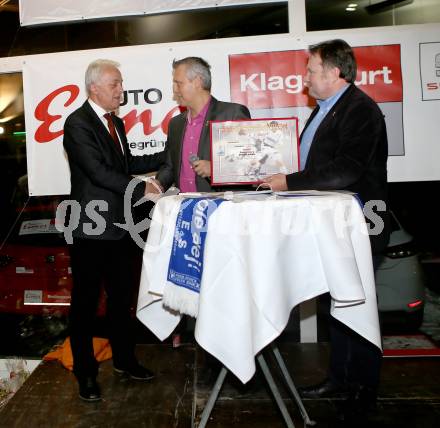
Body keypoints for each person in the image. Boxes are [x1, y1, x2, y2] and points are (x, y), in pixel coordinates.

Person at [263, 39, 390, 421]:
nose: (305, 79)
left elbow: (345, 171)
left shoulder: (360, 111)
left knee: (358, 304)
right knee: (339, 306)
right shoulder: (325, 110)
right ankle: (339, 378)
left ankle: (364, 389)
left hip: (361, 224)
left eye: (312, 70)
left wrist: (290, 181)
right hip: (331, 227)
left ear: (335, 73)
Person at [63, 59, 164, 402]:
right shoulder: (77, 124)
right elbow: (98, 172)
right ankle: (85, 373)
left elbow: (126, 165)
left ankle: (124, 360)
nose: (121, 90)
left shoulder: (115, 124)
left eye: (121, 83)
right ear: (94, 87)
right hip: (90, 231)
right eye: (115, 84)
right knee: (86, 306)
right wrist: (144, 190)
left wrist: (171, 157)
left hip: (121, 229)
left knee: (122, 302)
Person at [155, 56, 251, 192]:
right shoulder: (175, 124)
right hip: (186, 208)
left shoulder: (233, 114)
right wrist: (157, 184)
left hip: (223, 208)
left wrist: (215, 169)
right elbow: (170, 166)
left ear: (198, 82)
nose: (175, 90)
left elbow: (250, 163)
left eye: (179, 83)